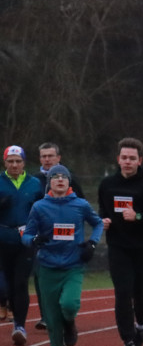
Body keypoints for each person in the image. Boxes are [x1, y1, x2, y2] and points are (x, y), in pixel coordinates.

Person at [21, 165, 103, 346]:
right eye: (55, 177)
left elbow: (98, 224)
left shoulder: (80, 205)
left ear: (69, 182)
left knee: (69, 303)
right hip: (47, 267)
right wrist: (36, 240)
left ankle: (70, 321)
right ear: (49, 182)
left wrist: (92, 244)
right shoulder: (39, 207)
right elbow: (27, 236)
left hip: (73, 266)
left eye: (64, 177)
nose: (60, 180)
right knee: (51, 318)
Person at [97, 137, 143, 346]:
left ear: (140, 161)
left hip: (142, 246)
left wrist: (137, 216)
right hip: (117, 246)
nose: (127, 162)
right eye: (124, 158)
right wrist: (102, 221)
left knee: (139, 291)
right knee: (122, 292)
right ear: (118, 159)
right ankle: (128, 341)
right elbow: (101, 211)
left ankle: (142, 322)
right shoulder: (107, 185)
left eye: (132, 158)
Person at [35, 142, 85, 331]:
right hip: (43, 238)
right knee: (42, 275)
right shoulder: (34, 181)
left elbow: (82, 207)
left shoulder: (70, 179)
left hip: (67, 238)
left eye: (50, 156)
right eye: (43, 156)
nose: (47, 160)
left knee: (65, 275)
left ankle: (66, 312)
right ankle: (46, 316)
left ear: (58, 158)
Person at [0, 145, 44, 346]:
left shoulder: (34, 183)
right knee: (6, 285)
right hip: (3, 238)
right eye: (11, 161)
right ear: (5, 163)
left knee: (20, 283)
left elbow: (43, 209)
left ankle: (19, 325)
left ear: (24, 163)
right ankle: (10, 308)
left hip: (26, 239)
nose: (15, 165)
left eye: (18, 161)